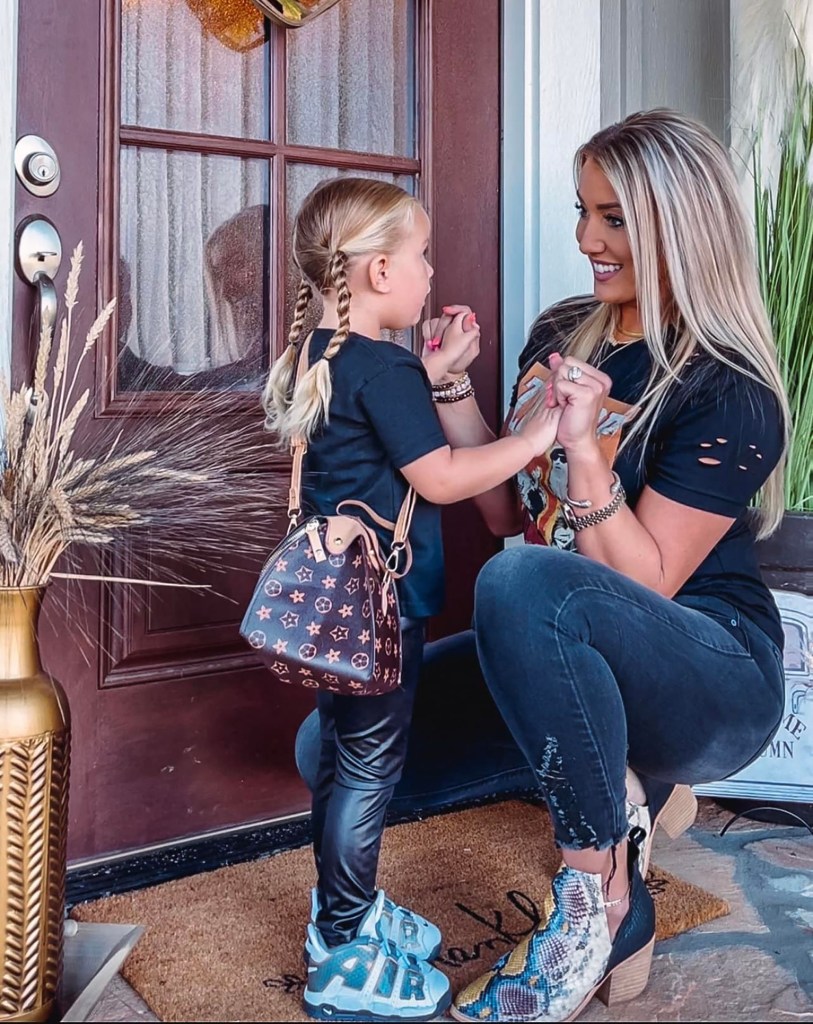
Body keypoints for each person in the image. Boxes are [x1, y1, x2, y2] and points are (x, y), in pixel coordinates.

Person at [293, 109, 790, 1023]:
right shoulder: (565, 330)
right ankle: (622, 785)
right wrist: (447, 386)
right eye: (581, 211)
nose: (583, 239)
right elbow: (501, 510)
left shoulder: (727, 384)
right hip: (565, 640)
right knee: (329, 749)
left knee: (518, 585)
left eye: (611, 220)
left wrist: (589, 452)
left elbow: (641, 585)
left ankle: (598, 898)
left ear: (675, 227)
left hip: (709, 671)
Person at [263, 176, 562, 1022]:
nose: (432, 271)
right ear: (378, 273)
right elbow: (440, 473)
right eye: (422, 255)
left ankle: (341, 916)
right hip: (383, 606)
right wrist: (536, 437)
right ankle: (342, 947)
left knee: (345, 759)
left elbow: (371, 442)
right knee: (367, 768)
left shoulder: (321, 357)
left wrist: (430, 374)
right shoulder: (384, 370)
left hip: (336, 604)